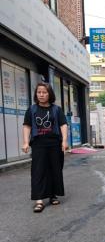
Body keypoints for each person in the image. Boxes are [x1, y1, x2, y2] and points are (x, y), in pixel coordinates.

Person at [22, 82, 69, 213]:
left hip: (55, 143)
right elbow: (27, 126)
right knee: (38, 171)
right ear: (36, 94)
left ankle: (53, 195)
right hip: (38, 144)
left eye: (44, 92)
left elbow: (63, 125)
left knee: (55, 169)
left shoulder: (56, 110)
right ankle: (39, 200)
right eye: (39, 92)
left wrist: (64, 141)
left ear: (49, 94)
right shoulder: (31, 110)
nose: (41, 95)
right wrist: (25, 142)